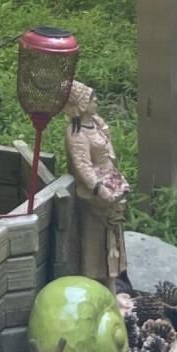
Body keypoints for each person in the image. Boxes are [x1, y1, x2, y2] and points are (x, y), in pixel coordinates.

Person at [64, 80, 129, 290]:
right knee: (95, 242)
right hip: (94, 196)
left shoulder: (97, 124)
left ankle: (113, 282)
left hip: (112, 185)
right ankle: (94, 284)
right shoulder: (77, 134)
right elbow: (83, 166)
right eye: (92, 98)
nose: (96, 101)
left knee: (114, 239)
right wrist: (99, 189)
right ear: (82, 104)